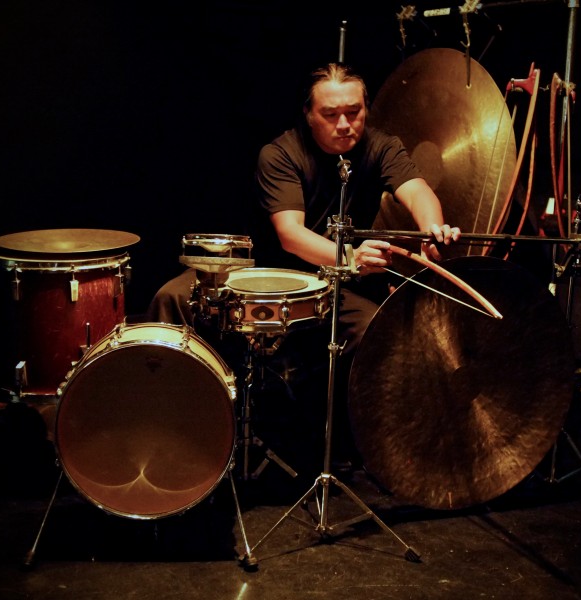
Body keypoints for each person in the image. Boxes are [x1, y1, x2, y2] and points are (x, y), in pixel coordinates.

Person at [147, 61, 463, 473]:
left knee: (377, 330)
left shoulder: (382, 146)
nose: (345, 124)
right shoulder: (280, 154)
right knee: (170, 297)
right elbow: (290, 235)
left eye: (354, 112)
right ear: (308, 115)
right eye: (331, 115)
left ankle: (357, 448)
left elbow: (417, 189)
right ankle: (162, 427)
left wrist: (432, 227)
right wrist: (350, 259)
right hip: (266, 271)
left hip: (329, 282)